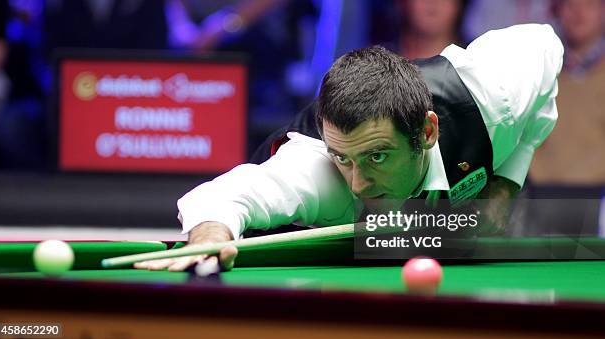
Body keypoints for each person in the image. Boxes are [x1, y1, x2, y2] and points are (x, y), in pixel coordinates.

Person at [135, 23, 564, 272]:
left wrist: (507, 180)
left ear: (427, 133)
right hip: (300, 254)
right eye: (344, 158)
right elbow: (227, 194)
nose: (358, 183)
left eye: (377, 156)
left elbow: (545, 46)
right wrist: (212, 233)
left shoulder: (492, 95)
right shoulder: (319, 175)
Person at [530, 0, 605, 185]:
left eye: (589, 5)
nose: (579, 13)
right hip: (544, 197)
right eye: (570, 5)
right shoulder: (539, 73)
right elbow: (525, 141)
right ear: (557, 11)